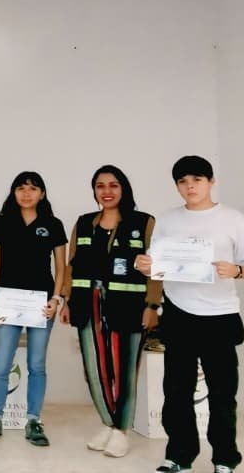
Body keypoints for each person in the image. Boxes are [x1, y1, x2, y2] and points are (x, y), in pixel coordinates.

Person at [136, 156, 244, 473]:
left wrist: (238, 270)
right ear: (177, 186)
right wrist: (146, 265)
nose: (190, 186)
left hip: (220, 316)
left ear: (211, 182)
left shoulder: (234, 219)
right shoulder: (168, 220)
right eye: (182, 181)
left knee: (223, 393)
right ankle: (179, 456)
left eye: (196, 179)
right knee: (176, 392)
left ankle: (224, 458)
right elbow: (156, 262)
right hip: (179, 313)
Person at [59, 164, 158, 459]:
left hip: (129, 306)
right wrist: (66, 300)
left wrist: (153, 305)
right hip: (87, 305)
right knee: (94, 369)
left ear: (123, 188)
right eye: (100, 186)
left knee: (124, 370)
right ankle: (108, 423)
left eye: (113, 185)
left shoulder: (144, 222)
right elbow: (71, 265)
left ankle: (121, 431)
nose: (107, 192)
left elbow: (156, 267)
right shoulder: (84, 222)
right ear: (94, 191)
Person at [0, 171, 67, 447]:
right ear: (13, 192)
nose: (26, 193)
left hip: (40, 303)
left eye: (32, 188)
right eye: (21, 188)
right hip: (8, 301)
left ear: (42, 193)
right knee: (2, 363)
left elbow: (62, 267)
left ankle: (33, 420)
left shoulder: (52, 224)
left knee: (37, 364)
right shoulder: (2, 223)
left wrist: (56, 299)